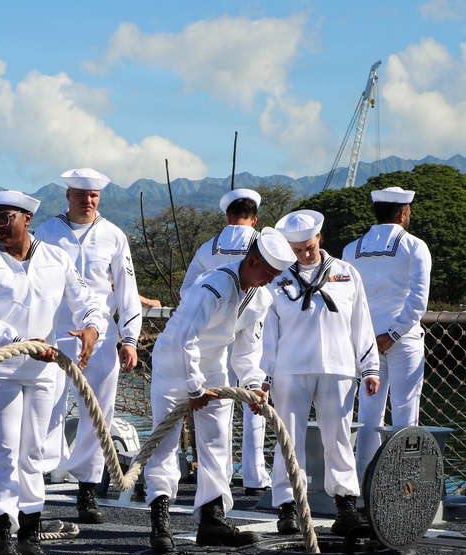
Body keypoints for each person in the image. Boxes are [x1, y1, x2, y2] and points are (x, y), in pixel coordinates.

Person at [0, 190, 108, 555]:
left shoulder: (56, 259)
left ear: (27, 218)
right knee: (3, 451)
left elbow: (88, 300)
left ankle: (28, 537)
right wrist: (20, 342)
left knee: (34, 453)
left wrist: (93, 328)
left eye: (5, 217)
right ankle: (0, 547)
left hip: (44, 370)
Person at [146, 228, 295, 553]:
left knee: (216, 441)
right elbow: (186, 339)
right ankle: (160, 519)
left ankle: (212, 518)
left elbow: (246, 352)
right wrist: (195, 388)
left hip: (213, 364)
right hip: (174, 361)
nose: (271, 280)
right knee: (165, 441)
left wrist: (254, 386)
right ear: (252, 260)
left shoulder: (261, 298)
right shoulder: (212, 286)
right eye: (268, 272)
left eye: (276, 275)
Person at [263, 211, 380, 536]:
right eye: (297, 250)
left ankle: (345, 505)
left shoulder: (346, 273)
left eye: (309, 248)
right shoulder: (277, 280)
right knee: (288, 439)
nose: (303, 255)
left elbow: (362, 323)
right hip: (290, 368)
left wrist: (369, 367)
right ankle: (288, 506)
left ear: (320, 240)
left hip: (338, 367)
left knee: (339, 438)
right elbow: (267, 335)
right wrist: (264, 375)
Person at [34, 168, 141, 524]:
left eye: (94, 194)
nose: (88, 200)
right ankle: (38, 483)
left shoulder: (113, 236)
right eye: (81, 193)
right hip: (56, 335)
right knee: (47, 409)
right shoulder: (46, 233)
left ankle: (87, 490)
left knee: (97, 414)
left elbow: (126, 291)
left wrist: (130, 339)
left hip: (103, 336)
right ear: (68, 195)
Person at [181, 188, 271, 496]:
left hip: (211, 335)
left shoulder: (208, 248)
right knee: (253, 393)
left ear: (228, 216)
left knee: (218, 405)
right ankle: (255, 475)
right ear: (254, 218)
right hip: (250, 325)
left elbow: (187, 290)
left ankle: (221, 478)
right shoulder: (262, 246)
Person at [343, 187, 431, 481]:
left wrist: (369, 338)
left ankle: (364, 482)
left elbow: (348, 300)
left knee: (368, 413)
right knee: (406, 412)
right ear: (403, 213)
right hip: (403, 339)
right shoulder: (415, 246)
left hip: (366, 342)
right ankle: (405, 482)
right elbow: (418, 300)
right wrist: (392, 334)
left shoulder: (351, 250)